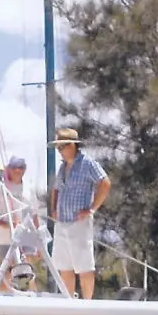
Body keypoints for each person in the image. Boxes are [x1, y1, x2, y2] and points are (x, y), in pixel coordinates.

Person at [48, 128, 111, 299]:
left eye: (63, 146)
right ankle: (69, 306)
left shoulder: (87, 163)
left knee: (84, 266)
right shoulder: (62, 167)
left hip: (79, 222)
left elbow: (105, 183)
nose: (60, 150)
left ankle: (87, 306)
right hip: (62, 222)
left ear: (73, 146)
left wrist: (92, 208)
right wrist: (53, 209)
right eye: (58, 147)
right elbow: (56, 189)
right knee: (65, 266)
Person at [0, 156, 41, 292]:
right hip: (6, 236)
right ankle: (4, 301)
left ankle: (33, 302)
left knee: (29, 270)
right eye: (14, 167)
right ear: (8, 168)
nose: (18, 170)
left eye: (21, 167)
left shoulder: (29, 188)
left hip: (27, 235)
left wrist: (39, 240)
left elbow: (34, 215)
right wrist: (4, 224)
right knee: (7, 271)